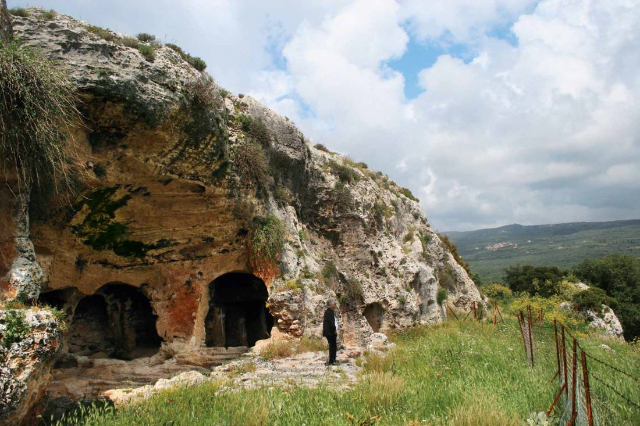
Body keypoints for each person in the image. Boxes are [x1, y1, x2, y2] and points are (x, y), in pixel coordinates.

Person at [322, 301, 338, 365]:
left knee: (332, 346)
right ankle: (332, 361)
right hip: (330, 332)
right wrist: (334, 330)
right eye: (334, 305)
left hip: (329, 332)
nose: (335, 306)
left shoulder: (328, 312)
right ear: (331, 306)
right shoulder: (329, 312)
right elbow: (331, 323)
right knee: (333, 346)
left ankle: (332, 360)